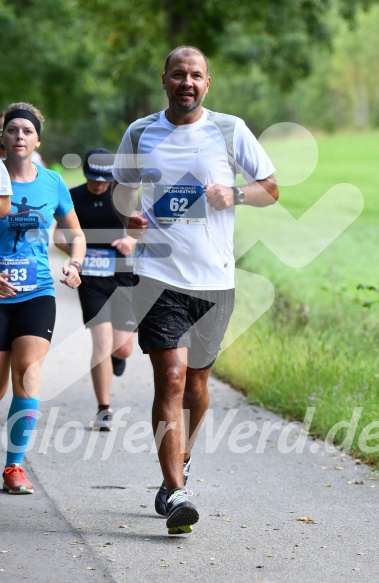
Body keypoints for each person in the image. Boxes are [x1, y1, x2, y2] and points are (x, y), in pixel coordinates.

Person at [112, 46, 279, 534]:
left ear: (208, 83)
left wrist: (237, 194)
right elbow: (123, 187)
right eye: (179, 74)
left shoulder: (229, 130)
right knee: (172, 377)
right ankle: (175, 492)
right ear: (164, 80)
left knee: (199, 387)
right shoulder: (141, 132)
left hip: (215, 279)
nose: (187, 82)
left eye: (196, 75)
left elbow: (270, 187)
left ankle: (178, 465)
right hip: (158, 274)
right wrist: (130, 215)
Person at [0, 102, 86, 494]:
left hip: (37, 293)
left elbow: (76, 235)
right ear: (2, 136)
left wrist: (75, 264)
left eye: (27, 131)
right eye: (13, 129)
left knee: (28, 373)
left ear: (37, 139)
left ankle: (14, 468)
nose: (20, 136)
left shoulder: (52, 183)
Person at [54, 149, 138, 431]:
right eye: (94, 180)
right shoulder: (74, 196)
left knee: (123, 348)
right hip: (91, 280)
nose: (99, 186)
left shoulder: (125, 195)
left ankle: (118, 357)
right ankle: (104, 408)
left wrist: (131, 241)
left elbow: (144, 228)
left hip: (124, 276)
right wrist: (78, 254)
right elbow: (57, 236)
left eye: (105, 181)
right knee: (101, 343)